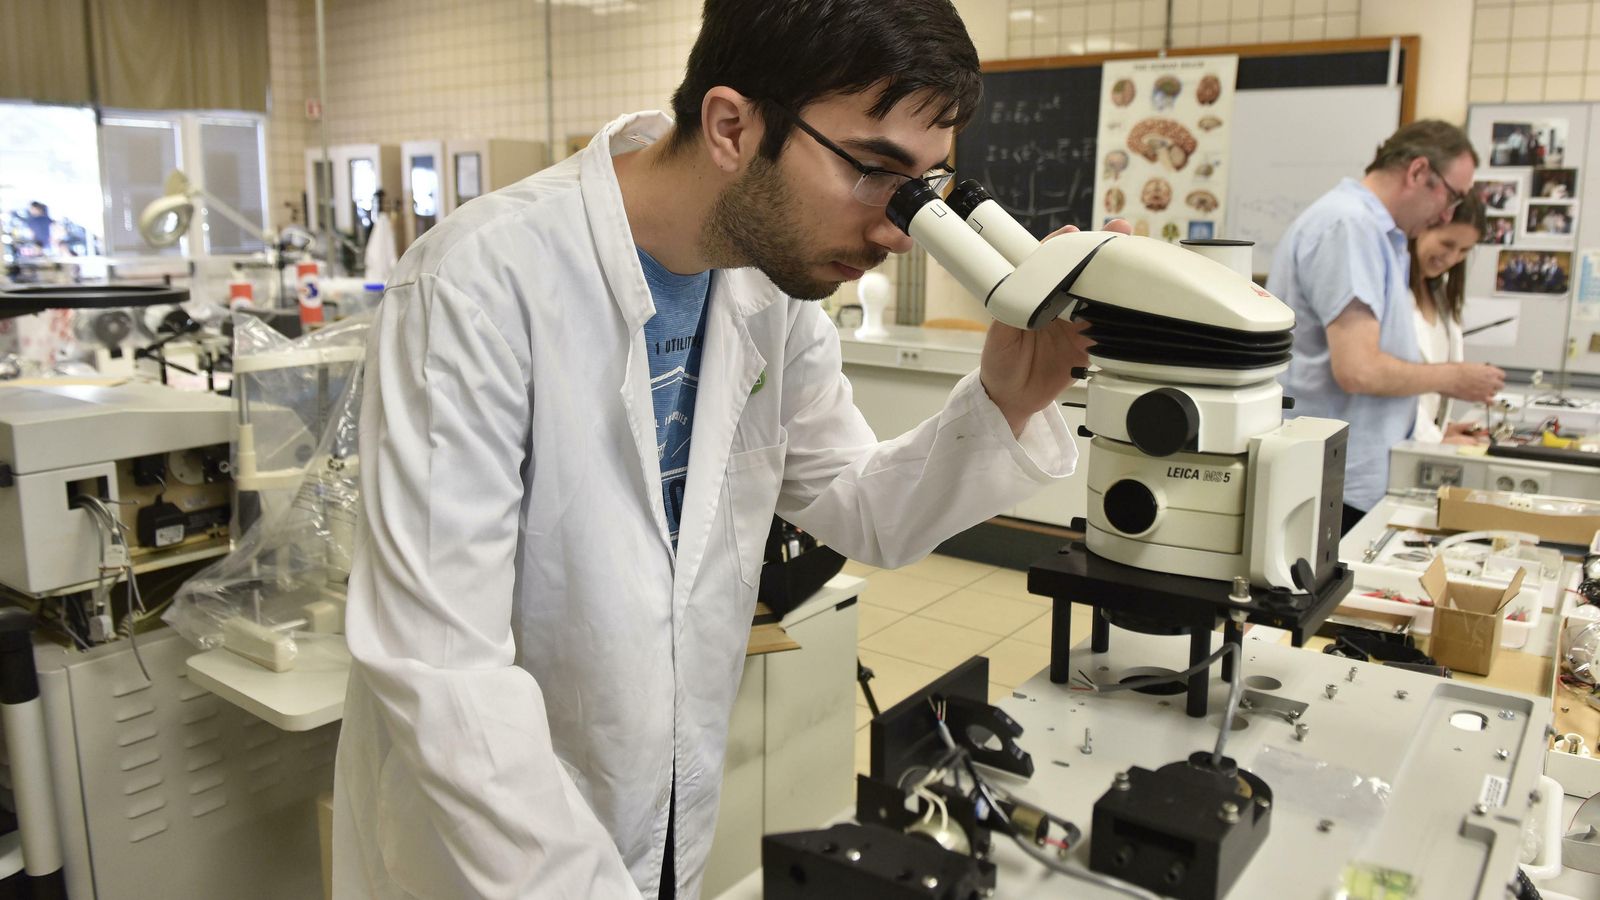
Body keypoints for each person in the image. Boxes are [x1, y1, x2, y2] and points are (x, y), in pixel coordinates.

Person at [332, 3, 1109, 898]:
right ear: (733, 126)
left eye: (925, 191)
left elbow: (863, 508)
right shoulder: (478, 285)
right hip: (492, 854)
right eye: (875, 173)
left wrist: (1012, 397)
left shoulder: (766, 294)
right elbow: (444, 671)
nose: (900, 232)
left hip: (658, 815)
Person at [1269, 120, 1504, 534]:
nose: (1448, 215)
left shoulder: (1380, 235)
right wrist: (1451, 378)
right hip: (1330, 486)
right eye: (1451, 197)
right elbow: (1358, 370)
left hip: (1351, 479)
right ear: (1417, 172)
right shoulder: (1349, 227)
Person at [1407, 195, 1500, 445]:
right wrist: (1434, 440)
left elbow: (1424, 394)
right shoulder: (1392, 293)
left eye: (1464, 251)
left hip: (1418, 440)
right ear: (1420, 229)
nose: (1451, 259)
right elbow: (1386, 385)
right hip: (1391, 445)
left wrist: (1442, 428)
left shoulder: (1440, 293)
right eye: (1447, 244)